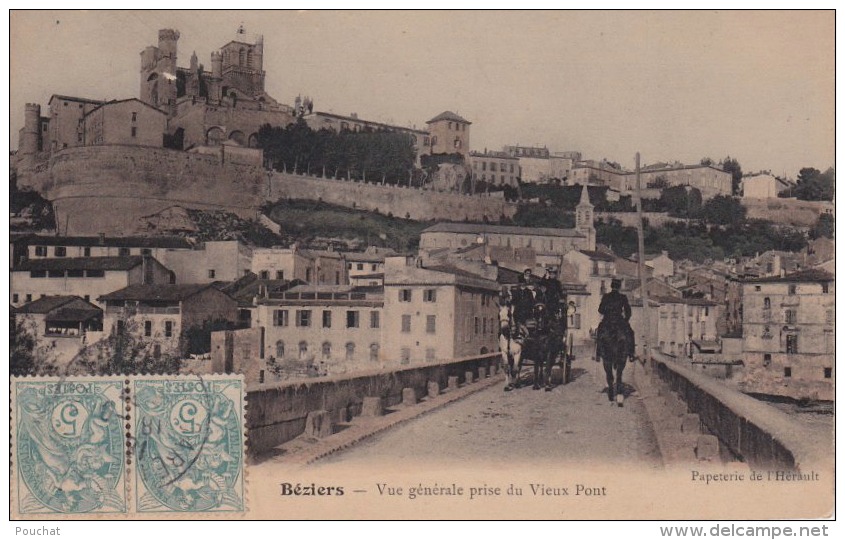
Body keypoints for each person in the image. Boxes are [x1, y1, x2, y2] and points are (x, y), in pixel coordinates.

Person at [597, 278, 636, 360]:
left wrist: (607, 313)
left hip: (607, 320)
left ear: (611, 286)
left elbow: (600, 310)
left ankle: (598, 353)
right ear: (619, 287)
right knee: (631, 333)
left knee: (600, 332)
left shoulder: (606, 296)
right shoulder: (623, 297)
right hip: (619, 320)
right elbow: (628, 311)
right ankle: (631, 353)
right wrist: (626, 320)